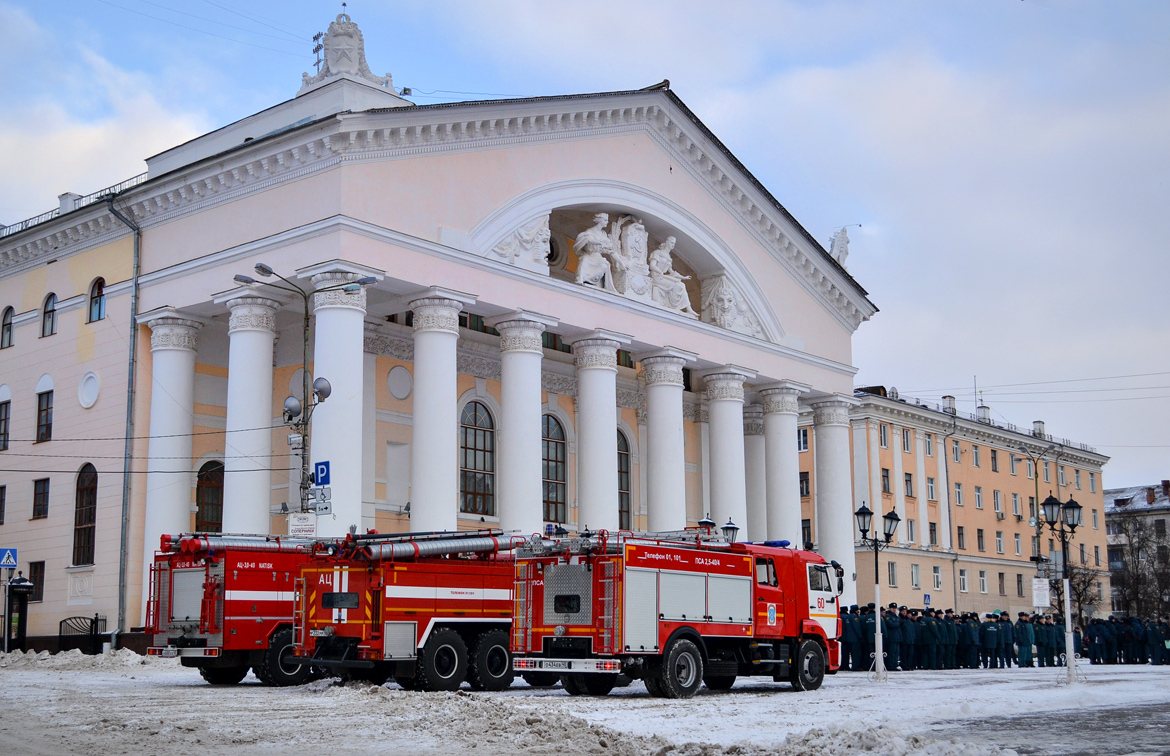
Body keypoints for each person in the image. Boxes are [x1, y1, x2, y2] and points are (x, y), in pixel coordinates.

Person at [885, 602, 903, 671]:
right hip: (891, 638)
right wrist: (898, 623)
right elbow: (891, 625)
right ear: (890, 608)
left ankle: (895, 665)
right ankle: (890, 665)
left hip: (897, 637)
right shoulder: (888, 616)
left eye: (895, 608)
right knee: (891, 652)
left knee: (896, 653)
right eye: (893, 608)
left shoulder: (896, 616)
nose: (894, 610)